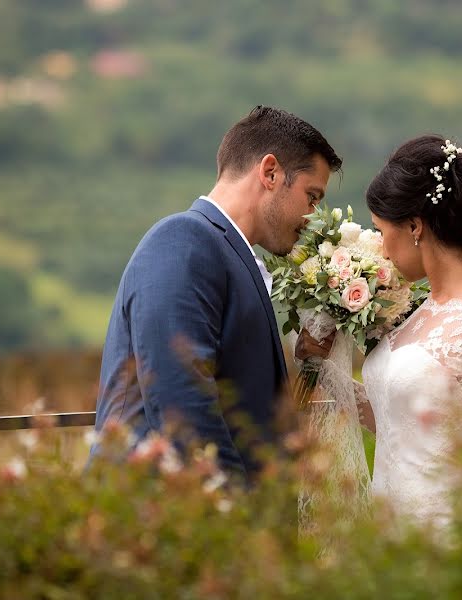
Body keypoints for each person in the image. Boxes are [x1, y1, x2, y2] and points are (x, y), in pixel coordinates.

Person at [91, 106, 342, 483]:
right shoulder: (182, 240)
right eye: (312, 196)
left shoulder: (223, 251)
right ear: (270, 173)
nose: (311, 216)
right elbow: (180, 401)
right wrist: (236, 517)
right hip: (166, 519)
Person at [301, 134, 462, 529]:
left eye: (380, 230)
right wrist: (320, 367)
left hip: (448, 539)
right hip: (389, 538)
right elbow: (397, 418)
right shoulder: (417, 310)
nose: (382, 249)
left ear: (414, 226)